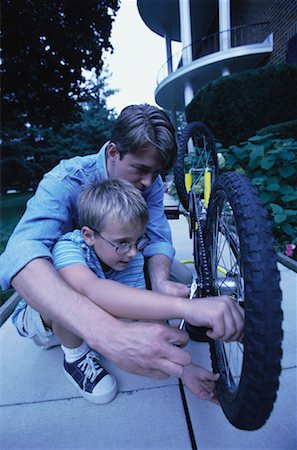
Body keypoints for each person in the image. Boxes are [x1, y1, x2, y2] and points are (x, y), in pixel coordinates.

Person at [0, 104, 244, 382]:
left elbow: (158, 238)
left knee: (180, 276)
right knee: (67, 286)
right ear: (114, 152)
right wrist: (109, 335)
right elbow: (19, 253)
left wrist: (160, 284)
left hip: (113, 267)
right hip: (72, 276)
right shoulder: (66, 181)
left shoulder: (145, 183)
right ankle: (77, 356)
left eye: (157, 173)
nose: (150, 182)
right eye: (141, 169)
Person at [13, 179, 225, 404]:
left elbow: (141, 308)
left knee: (127, 301)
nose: (133, 253)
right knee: (71, 293)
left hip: (91, 316)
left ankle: (90, 339)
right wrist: (186, 308)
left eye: (137, 241)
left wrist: (186, 369)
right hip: (44, 322)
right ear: (89, 235)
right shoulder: (69, 247)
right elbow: (92, 289)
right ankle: (75, 358)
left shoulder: (128, 257)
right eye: (122, 242)